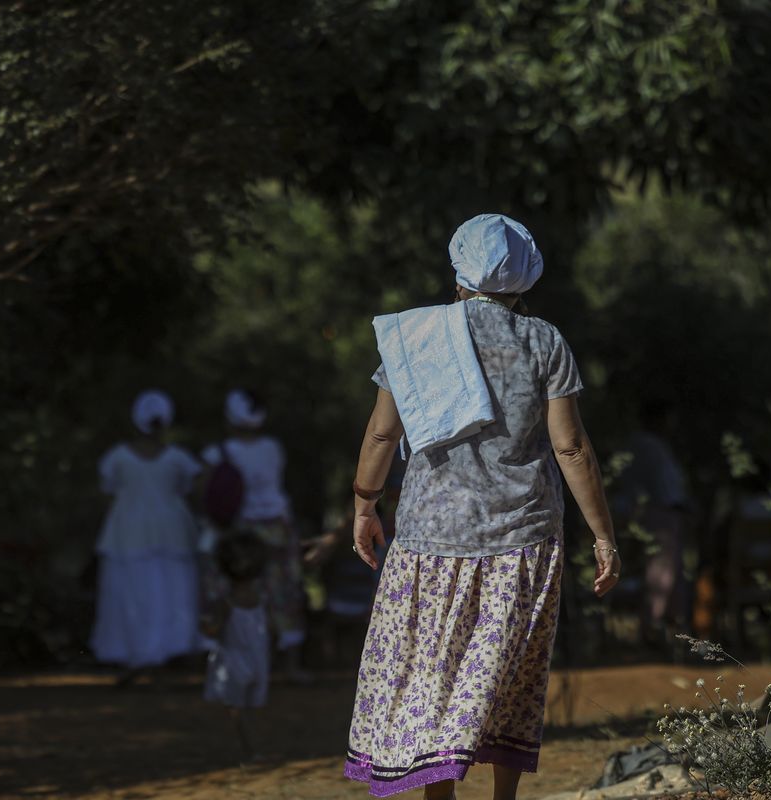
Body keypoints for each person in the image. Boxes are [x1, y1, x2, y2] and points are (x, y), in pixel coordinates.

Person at [343, 214, 620, 800]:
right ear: (525, 277)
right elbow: (570, 446)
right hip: (521, 537)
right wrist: (603, 535)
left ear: (458, 270)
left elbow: (380, 437)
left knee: (432, 675)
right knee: (509, 675)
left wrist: (365, 506)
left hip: (428, 540)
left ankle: (435, 795)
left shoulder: (414, 337)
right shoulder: (544, 340)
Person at [91, 389, 205, 685]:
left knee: (136, 596)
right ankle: (149, 660)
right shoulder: (176, 458)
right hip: (165, 532)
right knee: (166, 596)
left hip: (132, 532)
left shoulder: (119, 457)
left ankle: (148, 659)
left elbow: (106, 494)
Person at [201, 389, 309, 680]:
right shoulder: (273, 448)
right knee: (284, 595)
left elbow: (205, 493)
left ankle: (229, 665)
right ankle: (290, 667)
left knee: (230, 594)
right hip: (277, 529)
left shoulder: (217, 453)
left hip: (239, 533)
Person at [608, 399, 691, 641]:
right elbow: (665, 489)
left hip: (659, 514)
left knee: (667, 572)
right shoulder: (648, 446)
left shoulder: (647, 446)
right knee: (661, 573)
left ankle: (667, 628)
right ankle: (654, 625)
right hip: (657, 514)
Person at [201, 533, 273, 761]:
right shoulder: (260, 599)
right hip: (258, 659)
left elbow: (214, 630)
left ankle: (249, 748)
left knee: (235, 706)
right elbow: (270, 629)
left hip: (233, 660)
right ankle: (254, 746)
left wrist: (203, 626)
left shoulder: (227, 602)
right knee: (251, 707)